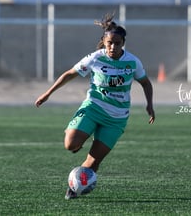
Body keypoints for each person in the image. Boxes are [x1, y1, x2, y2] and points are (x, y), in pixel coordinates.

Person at [34, 13, 155, 199]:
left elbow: (146, 83)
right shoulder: (95, 58)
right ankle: (81, 138)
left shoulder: (132, 62)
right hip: (93, 108)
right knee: (70, 144)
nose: (113, 47)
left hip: (116, 118)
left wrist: (149, 105)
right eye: (110, 43)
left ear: (123, 43)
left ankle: (75, 187)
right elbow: (70, 74)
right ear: (104, 42)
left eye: (118, 43)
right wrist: (48, 93)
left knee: (94, 160)